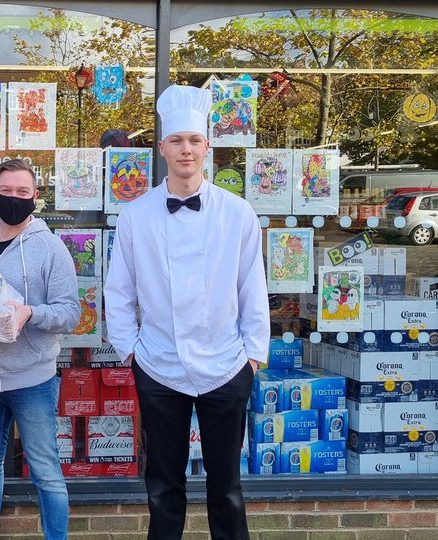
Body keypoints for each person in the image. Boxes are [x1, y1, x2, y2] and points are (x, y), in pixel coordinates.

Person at [103, 84, 270, 540]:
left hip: (225, 364)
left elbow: (252, 287)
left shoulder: (238, 213)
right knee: (162, 487)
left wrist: (253, 356)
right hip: (158, 365)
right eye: (176, 141)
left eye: (194, 141)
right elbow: (118, 291)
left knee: (227, 489)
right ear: (162, 148)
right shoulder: (135, 215)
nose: (185, 150)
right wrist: (129, 351)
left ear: (207, 148)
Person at [0, 158, 81, 540]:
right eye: (6, 191)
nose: (14, 198)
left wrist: (30, 312)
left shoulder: (51, 249)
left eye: (22, 192)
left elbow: (70, 312)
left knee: (45, 469)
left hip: (32, 379)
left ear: (35, 196)